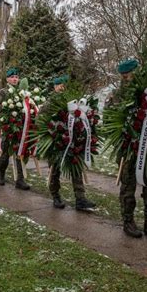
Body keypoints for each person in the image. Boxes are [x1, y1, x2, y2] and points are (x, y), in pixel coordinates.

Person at [108, 59, 147, 238]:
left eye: (133, 74)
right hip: (128, 149)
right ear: (123, 76)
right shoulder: (117, 96)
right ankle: (128, 221)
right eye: (127, 75)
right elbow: (109, 123)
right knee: (128, 186)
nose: (130, 78)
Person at [44, 75, 97, 211]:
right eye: (59, 85)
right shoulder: (49, 103)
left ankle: (80, 199)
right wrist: (53, 133)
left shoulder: (71, 101)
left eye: (63, 84)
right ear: (54, 87)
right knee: (55, 170)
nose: (61, 87)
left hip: (72, 141)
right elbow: (41, 121)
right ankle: (55, 195)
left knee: (76, 168)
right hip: (56, 142)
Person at [0, 68, 30, 190]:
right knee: (5, 153)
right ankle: (1, 174)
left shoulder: (22, 92)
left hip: (20, 128)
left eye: (16, 77)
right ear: (7, 79)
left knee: (20, 152)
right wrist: (8, 113)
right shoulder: (3, 92)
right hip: (8, 128)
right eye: (12, 77)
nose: (15, 79)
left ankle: (20, 180)